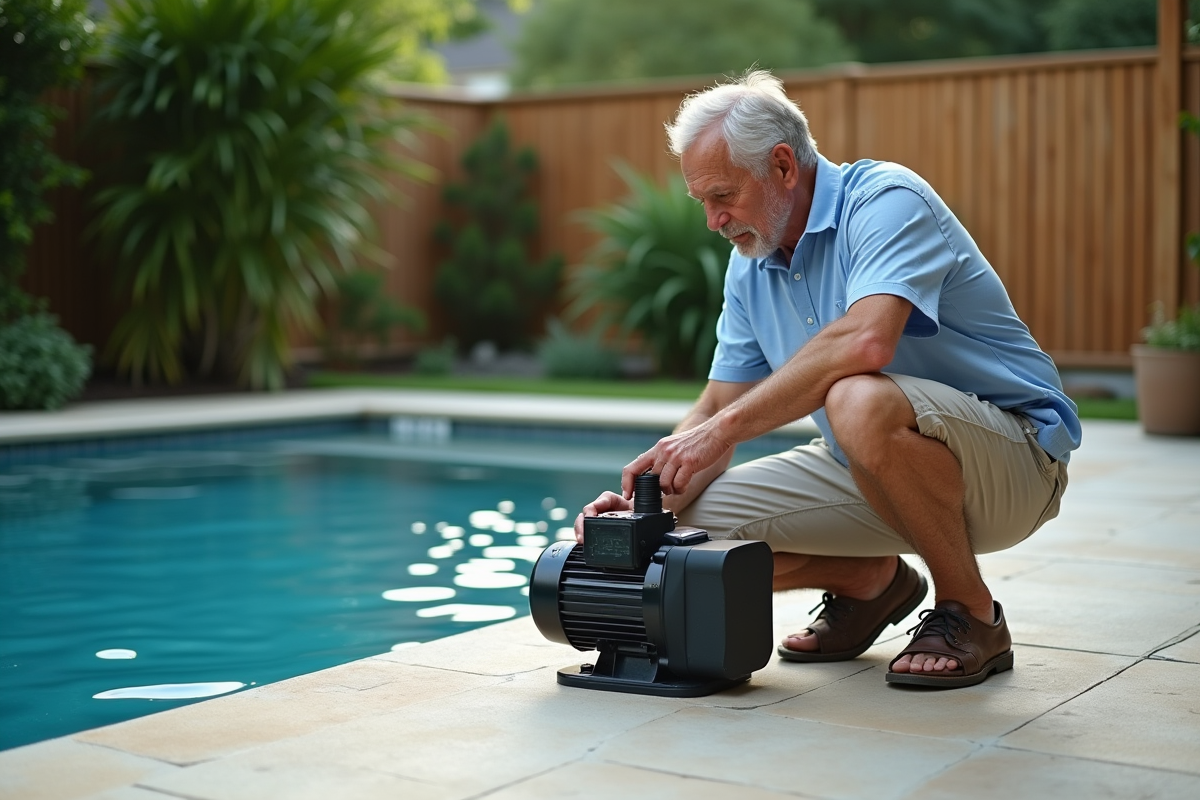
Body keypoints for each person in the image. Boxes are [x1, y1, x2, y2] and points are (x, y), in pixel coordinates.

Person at [574, 69, 1079, 689]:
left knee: (856, 397)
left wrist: (722, 431)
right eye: (702, 201)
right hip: (864, 471)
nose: (713, 220)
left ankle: (969, 611)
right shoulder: (751, 265)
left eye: (723, 196)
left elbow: (868, 339)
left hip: (1015, 462)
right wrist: (639, 507)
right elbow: (717, 406)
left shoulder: (887, 201)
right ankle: (868, 582)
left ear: (783, 165)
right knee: (684, 529)